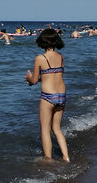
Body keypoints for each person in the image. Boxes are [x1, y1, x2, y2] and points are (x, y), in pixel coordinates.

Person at [24, 28, 70, 161]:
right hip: (61, 95)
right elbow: (53, 75)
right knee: (57, 128)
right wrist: (37, 79)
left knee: (45, 129)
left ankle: (48, 159)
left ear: (42, 41)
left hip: (48, 97)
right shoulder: (60, 57)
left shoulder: (40, 58)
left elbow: (34, 81)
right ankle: (66, 157)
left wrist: (29, 78)